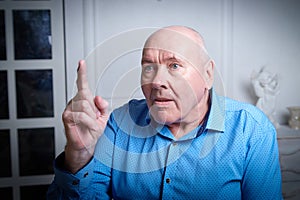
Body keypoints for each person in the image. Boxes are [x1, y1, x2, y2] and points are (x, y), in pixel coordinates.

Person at [47, 26, 282, 199]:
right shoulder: (118, 123)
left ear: (208, 74)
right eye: (149, 67)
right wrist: (78, 154)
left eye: (175, 65)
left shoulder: (251, 129)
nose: (157, 80)